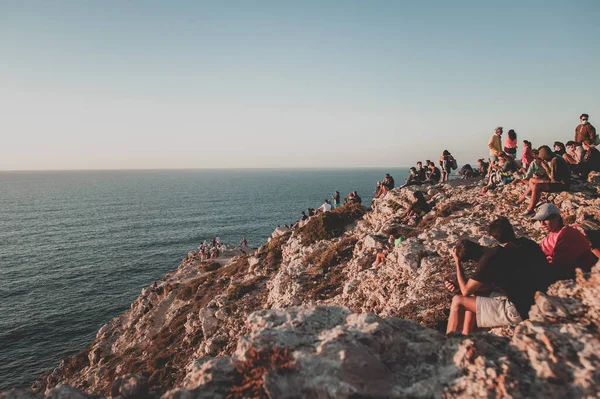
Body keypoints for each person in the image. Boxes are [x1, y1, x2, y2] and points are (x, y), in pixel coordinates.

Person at [444, 237, 535, 334]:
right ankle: (466, 335)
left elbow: (465, 291)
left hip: (517, 310)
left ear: (470, 260)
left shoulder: (486, 262)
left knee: (457, 301)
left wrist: (457, 262)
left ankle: (449, 341)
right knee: (473, 297)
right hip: (528, 304)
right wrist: (459, 287)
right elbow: (482, 288)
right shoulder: (497, 251)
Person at [534, 203, 597, 282]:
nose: (542, 224)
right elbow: (541, 250)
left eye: (545, 219)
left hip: (581, 277)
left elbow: (559, 266)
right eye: (540, 220)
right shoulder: (553, 234)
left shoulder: (567, 234)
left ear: (557, 217)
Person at [511, 145, 570, 217]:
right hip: (560, 181)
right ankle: (524, 200)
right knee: (532, 180)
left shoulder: (555, 161)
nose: (543, 160)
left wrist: (546, 168)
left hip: (562, 184)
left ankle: (530, 209)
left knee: (536, 186)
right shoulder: (556, 157)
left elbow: (554, 179)